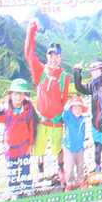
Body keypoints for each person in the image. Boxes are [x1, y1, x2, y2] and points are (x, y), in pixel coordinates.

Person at [24, 20, 72, 180]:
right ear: (47, 56)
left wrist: (63, 117)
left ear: (60, 57)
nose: (53, 58)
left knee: (58, 148)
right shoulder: (40, 71)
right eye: (51, 55)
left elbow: (64, 99)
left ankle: (61, 169)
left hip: (57, 121)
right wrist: (31, 31)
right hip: (42, 120)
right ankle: (40, 170)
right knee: (39, 148)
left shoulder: (65, 77)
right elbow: (29, 54)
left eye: (56, 55)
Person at [60, 98, 89, 190]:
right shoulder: (68, 117)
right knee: (69, 167)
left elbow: (83, 132)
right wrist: (67, 104)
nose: (77, 110)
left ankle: (81, 180)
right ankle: (70, 183)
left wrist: (82, 142)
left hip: (80, 147)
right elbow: (64, 113)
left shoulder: (82, 119)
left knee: (80, 165)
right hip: (69, 148)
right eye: (75, 108)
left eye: (79, 108)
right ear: (71, 109)